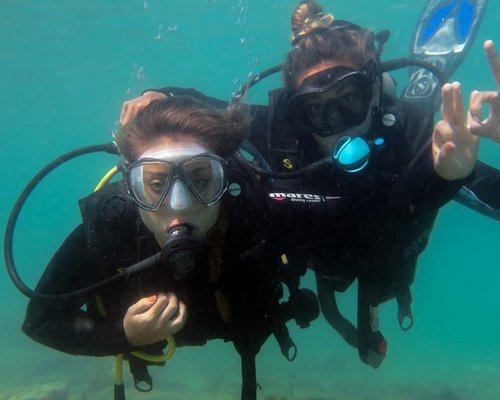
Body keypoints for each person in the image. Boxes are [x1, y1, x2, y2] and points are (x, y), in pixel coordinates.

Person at [118, 0, 500, 370]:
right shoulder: (281, 132)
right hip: (325, 258)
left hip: (389, 251)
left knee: (419, 148)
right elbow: (214, 110)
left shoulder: (420, 140)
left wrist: (455, 173)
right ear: (296, 110)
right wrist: (161, 95)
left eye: (349, 99)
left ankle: (417, 96)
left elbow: (484, 186)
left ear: (374, 93)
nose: (334, 123)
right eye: (315, 108)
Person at [21, 96, 318, 400]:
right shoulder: (111, 228)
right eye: (155, 183)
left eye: (200, 179)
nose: (179, 204)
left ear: (224, 180)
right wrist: (122, 335)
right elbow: (39, 322)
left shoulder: (254, 213)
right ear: (131, 186)